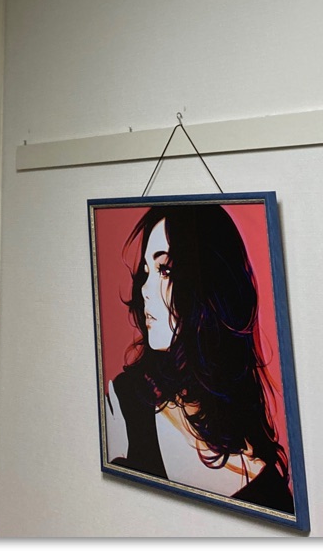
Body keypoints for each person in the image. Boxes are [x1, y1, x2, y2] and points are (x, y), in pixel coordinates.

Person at [104, 204, 294, 512]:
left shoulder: (266, 487)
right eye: (146, 272)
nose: (144, 290)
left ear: (210, 284)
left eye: (165, 270)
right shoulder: (127, 402)